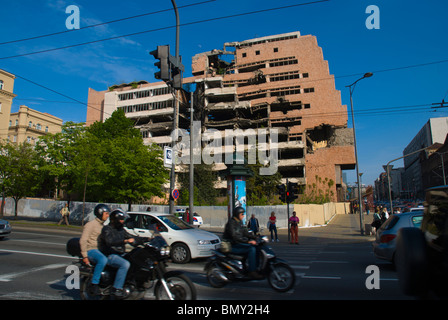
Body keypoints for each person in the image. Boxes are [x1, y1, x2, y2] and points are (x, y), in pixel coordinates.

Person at [98, 208, 135, 298]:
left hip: (119, 254)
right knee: (125, 264)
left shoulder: (121, 230)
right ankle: (116, 288)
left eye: (123, 219)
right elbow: (110, 241)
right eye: (121, 219)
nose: (123, 221)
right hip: (109, 255)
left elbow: (131, 237)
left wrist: (147, 239)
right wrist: (125, 241)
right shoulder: (107, 229)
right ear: (115, 220)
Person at [79, 203, 111, 296]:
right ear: (100, 213)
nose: (107, 215)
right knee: (103, 259)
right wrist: (84, 255)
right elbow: (83, 240)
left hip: (99, 250)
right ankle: (94, 284)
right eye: (106, 213)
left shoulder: (103, 226)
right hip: (91, 250)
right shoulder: (90, 225)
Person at [223, 206, 262, 279]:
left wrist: (256, 237)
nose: (243, 216)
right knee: (251, 249)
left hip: (237, 243)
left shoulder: (239, 222)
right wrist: (248, 241)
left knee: (256, 247)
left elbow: (245, 232)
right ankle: (252, 271)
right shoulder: (231, 223)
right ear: (237, 214)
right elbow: (235, 237)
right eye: (242, 214)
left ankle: (255, 267)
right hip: (231, 245)